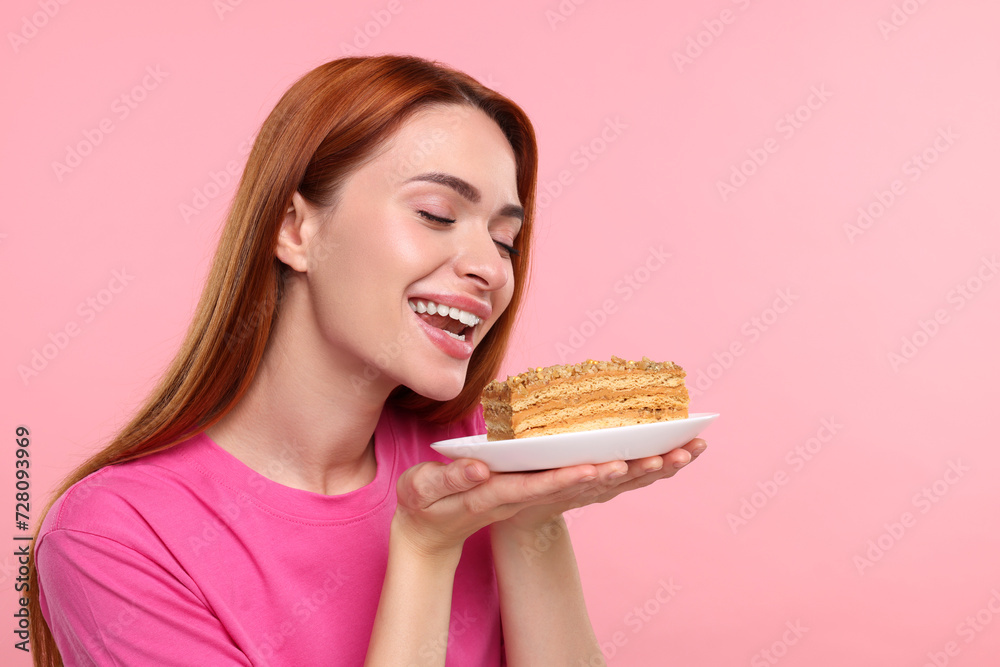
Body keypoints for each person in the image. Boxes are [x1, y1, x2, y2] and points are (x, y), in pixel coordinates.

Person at [29, 54, 707, 666]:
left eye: (504, 238)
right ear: (294, 228)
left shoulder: (473, 455)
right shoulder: (114, 540)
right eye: (437, 213)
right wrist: (425, 547)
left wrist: (531, 518)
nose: (491, 268)